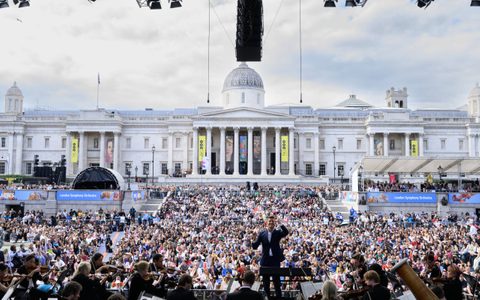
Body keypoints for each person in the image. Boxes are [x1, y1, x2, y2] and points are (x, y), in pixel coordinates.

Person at [252, 215, 289, 299]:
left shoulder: (277, 232)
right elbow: (255, 246)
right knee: (266, 283)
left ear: (274, 223)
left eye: (272, 221)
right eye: (269, 221)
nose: (271, 223)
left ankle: (278, 298)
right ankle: (268, 297)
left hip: (275, 260)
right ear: (266, 223)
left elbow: (286, 232)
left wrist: (281, 224)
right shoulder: (262, 233)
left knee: (276, 282)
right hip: (265, 261)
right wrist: (252, 238)